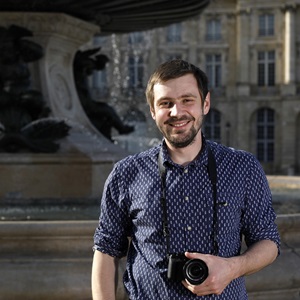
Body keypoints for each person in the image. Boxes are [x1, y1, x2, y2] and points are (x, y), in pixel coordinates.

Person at [92, 59, 280, 299]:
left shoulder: (242, 167)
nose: (176, 112)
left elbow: (268, 240)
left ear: (206, 103)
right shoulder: (126, 173)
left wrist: (231, 268)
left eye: (187, 100)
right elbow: (106, 251)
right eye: (165, 103)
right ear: (152, 111)